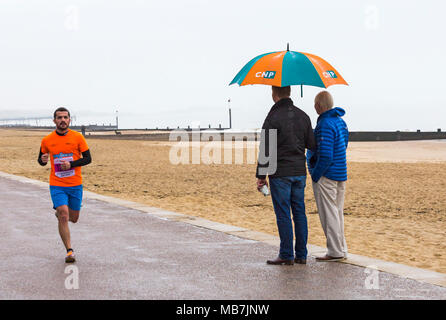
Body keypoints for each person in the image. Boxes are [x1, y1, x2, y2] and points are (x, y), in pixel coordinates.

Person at [256, 86, 316, 265]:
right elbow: (311, 144)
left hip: (280, 172)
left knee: (283, 213)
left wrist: (261, 176)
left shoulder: (273, 117)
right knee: (299, 213)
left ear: (274, 94)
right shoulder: (303, 116)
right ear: (289, 93)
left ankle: (287, 254)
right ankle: (302, 255)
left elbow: (265, 149)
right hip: (299, 172)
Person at [38, 107, 92, 263]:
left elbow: (88, 159)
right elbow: (41, 160)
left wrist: (72, 164)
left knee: (73, 218)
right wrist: (42, 161)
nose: (62, 120)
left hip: (75, 184)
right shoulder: (47, 140)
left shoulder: (78, 138)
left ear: (70, 120)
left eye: (65, 117)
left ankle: (62, 215)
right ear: (54, 120)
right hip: (57, 184)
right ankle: (69, 251)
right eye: (59, 117)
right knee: (63, 214)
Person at [307, 91, 348, 262]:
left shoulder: (324, 124)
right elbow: (344, 144)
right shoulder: (340, 121)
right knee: (337, 212)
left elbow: (325, 155)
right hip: (340, 173)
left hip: (327, 175)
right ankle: (341, 248)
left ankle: (335, 251)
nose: (314, 107)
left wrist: (315, 175)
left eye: (315, 104)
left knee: (329, 214)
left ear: (319, 106)